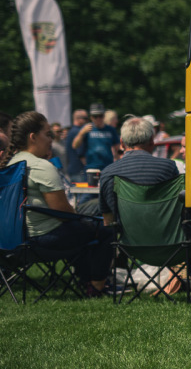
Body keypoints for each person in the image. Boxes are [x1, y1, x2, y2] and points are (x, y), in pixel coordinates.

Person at [1, 110, 117, 296]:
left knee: (82, 229)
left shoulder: (10, 164)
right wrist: (86, 219)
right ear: (33, 137)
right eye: (47, 134)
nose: (51, 139)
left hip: (12, 241)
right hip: (42, 240)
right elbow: (64, 213)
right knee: (104, 229)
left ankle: (87, 280)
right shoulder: (41, 166)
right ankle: (96, 286)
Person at [98, 117, 182, 227]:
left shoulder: (108, 173)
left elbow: (108, 221)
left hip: (126, 241)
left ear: (122, 143)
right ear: (152, 141)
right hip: (165, 238)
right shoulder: (168, 167)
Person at [72, 103, 119, 172]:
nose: (98, 119)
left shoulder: (111, 130)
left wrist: (117, 163)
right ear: (91, 117)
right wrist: (81, 133)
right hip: (92, 167)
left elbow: (117, 148)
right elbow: (75, 146)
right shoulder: (86, 129)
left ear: (104, 116)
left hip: (108, 167)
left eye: (100, 116)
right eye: (95, 116)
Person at [63, 108, 89, 183]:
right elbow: (80, 153)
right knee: (84, 194)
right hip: (80, 170)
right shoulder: (78, 132)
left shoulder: (72, 131)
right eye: (86, 118)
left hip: (73, 169)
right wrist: (88, 167)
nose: (87, 121)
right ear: (78, 119)